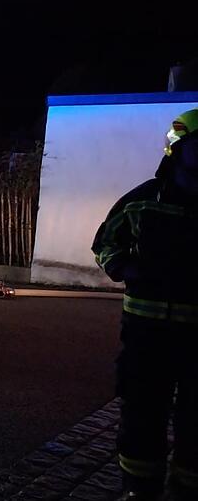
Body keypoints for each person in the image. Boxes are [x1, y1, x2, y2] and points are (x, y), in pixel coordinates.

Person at [92, 108, 198, 501]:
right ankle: (140, 489)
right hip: (146, 333)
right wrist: (123, 267)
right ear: (180, 149)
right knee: (142, 414)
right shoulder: (141, 200)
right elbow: (105, 242)